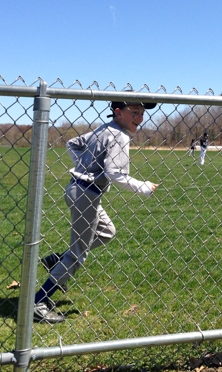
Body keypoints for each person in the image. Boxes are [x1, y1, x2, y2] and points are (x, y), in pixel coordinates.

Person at [33, 100, 159, 323]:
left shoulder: (104, 129)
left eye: (142, 113)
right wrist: (144, 187)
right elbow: (116, 174)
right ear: (118, 112)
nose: (139, 117)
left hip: (78, 189)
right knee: (77, 255)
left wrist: (85, 167)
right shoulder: (118, 135)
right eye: (135, 112)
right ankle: (38, 302)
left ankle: (57, 260)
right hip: (87, 194)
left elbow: (73, 144)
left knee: (107, 231)